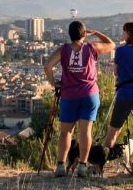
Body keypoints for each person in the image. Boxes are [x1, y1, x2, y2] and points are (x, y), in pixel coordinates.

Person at [44, 21, 115, 177]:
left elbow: (48, 66)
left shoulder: (63, 50)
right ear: (84, 34)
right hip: (89, 94)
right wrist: (95, 32)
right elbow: (111, 44)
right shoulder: (92, 48)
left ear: (70, 34)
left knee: (66, 132)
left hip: (69, 96)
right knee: (86, 131)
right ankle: (83, 166)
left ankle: (61, 166)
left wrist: (54, 83)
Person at [103, 22, 133, 177]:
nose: (122, 34)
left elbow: (116, 72)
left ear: (129, 34)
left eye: (124, 32)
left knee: (114, 131)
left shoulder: (121, 51)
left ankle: (100, 164)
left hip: (126, 93)